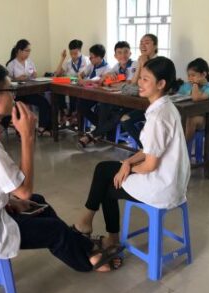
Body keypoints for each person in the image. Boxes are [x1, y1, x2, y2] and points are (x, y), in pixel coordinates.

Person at [0, 62, 124, 273]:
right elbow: (24, 191)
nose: (15, 96)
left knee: (39, 203)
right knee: (53, 230)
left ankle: (84, 246)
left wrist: (8, 201)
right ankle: (88, 261)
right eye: (10, 91)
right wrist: (27, 137)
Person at [72, 57, 190, 249]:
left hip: (163, 185)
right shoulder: (166, 107)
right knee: (104, 169)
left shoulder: (158, 117)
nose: (139, 84)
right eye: (140, 78)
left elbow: (151, 164)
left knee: (108, 186)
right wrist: (127, 163)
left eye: (145, 79)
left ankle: (103, 233)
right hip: (173, 181)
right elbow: (151, 149)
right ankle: (86, 222)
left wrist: (129, 168)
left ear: (161, 84)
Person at [77, 41, 136, 148]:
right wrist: (109, 76)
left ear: (130, 53)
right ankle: (102, 132)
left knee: (115, 114)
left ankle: (93, 135)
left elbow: (129, 85)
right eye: (119, 53)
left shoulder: (134, 65)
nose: (123, 55)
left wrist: (114, 83)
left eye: (126, 52)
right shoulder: (117, 67)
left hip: (131, 102)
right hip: (117, 99)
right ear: (115, 56)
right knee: (103, 104)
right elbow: (103, 82)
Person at [120, 34, 159, 149]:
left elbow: (147, 86)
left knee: (125, 118)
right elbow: (133, 83)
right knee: (123, 118)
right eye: (141, 43)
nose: (143, 45)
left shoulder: (159, 62)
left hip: (154, 106)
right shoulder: (140, 61)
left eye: (147, 42)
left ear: (155, 46)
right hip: (141, 104)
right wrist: (141, 64)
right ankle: (144, 148)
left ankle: (146, 150)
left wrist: (143, 64)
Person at [6, 39, 52, 136]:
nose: (28, 53)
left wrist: (34, 74)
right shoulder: (11, 64)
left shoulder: (30, 62)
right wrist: (16, 79)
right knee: (18, 107)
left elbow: (34, 74)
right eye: (27, 51)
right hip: (17, 94)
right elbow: (8, 81)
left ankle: (42, 128)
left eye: (29, 51)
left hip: (30, 92)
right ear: (19, 51)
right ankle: (20, 132)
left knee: (44, 102)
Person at [177, 58, 209, 141]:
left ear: (203, 75)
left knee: (191, 120)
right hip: (186, 115)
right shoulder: (186, 86)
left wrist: (195, 84)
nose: (190, 78)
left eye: (193, 75)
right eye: (188, 75)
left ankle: (181, 146)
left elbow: (196, 98)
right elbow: (177, 97)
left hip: (204, 119)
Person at [75, 44, 111, 135]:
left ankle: (101, 127)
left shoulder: (107, 68)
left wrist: (85, 81)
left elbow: (99, 81)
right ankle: (100, 127)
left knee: (82, 106)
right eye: (90, 57)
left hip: (100, 96)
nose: (90, 59)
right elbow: (81, 74)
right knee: (79, 105)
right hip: (89, 93)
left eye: (92, 57)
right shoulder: (91, 65)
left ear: (99, 57)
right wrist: (80, 78)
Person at [54, 39, 90, 126]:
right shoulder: (68, 62)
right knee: (56, 87)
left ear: (80, 51)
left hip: (81, 87)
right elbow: (57, 74)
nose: (73, 56)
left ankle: (72, 115)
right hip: (69, 85)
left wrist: (71, 79)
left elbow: (82, 77)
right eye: (71, 54)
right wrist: (62, 58)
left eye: (75, 53)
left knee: (73, 92)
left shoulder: (86, 60)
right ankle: (65, 110)